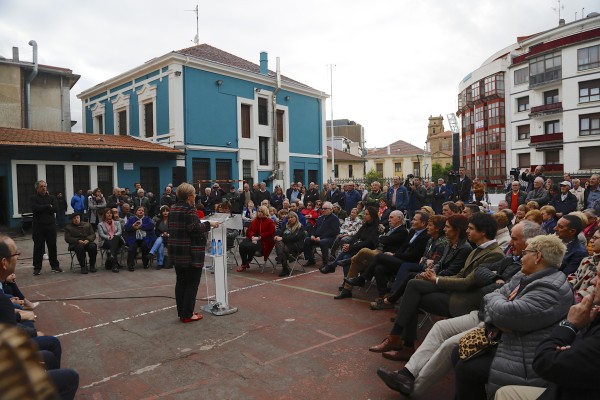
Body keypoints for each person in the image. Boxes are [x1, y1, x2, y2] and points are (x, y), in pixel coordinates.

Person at [376, 221, 544, 398]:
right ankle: (405, 371)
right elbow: (481, 279)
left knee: (418, 297)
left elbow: (483, 289)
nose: (510, 243)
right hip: (481, 309)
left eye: (471, 228)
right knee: (415, 290)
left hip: (473, 307)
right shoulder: (508, 259)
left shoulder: (501, 258)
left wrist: (438, 280)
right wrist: (494, 282)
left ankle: (410, 374)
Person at [368, 212, 504, 361]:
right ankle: (399, 341)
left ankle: (401, 342)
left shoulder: (493, 254)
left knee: (413, 291)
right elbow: (459, 275)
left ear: (483, 231)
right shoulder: (477, 249)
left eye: (471, 228)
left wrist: (436, 279)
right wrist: (433, 276)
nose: (467, 231)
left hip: (464, 301)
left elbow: (467, 282)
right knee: (413, 287)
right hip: (454, 290)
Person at [452, 234, 573, 400]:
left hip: (526, 357)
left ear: (537, 256)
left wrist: (497, 309)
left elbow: (504, 313)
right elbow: (494, 297)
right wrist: (498, 311)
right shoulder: (526, 275)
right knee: (456, 352)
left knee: (468, 369)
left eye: (525, 253)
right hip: (512, 339)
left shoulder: (550, 288)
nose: (521, 257)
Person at [168, 182, 219, 323]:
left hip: (177, 250)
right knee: (191, 283)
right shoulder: (189, 209)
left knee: (181, 283)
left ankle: (183, 311)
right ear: (190, 196)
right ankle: (187, 314)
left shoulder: (173, 208)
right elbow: (193, 228)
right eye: (194, 193)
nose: (195, 195)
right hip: (190, 252)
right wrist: (209, 224)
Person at [30, 180, 62, 276]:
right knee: (38, 247)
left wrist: (43, 208)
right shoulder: (33, 198)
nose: (44, 188)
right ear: (37, 188)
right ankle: (37, 268)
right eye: (41, 186)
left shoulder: (51, 197)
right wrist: (48, 206)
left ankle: (54, 266)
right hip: (38, 226)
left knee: (52, 246)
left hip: (50, 225)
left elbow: (56, 209)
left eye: (45, 186)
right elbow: (35, 208)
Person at [236, 205, 276, 272]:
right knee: (242, 245)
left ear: (265, 212)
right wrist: (252, 237)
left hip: (264, 241)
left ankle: (247, 261)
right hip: (253, 238)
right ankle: (244, 262)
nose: (259, 213)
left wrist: (259, 237)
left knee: (251, 246)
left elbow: (271, 232)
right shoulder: (255, 221)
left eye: (261, 212)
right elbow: (249, 231)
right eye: (259, 211)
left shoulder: (270, 221)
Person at [302, 201, 341, 267]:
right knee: (307, 240)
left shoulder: (335, 219)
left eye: (325, 209)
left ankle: (325, 262)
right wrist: (312, 235)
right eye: (322, 209)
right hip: (317, 237)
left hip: (330, 238)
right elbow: (314, 228)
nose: (323, 210)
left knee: (323, 242)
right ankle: (310, 259)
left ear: (331, 209)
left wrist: (321, 238)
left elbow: (334, 231)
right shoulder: (320, 218)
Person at [273, 211, 306, 277]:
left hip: (296, 245)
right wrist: (276, 236)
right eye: (288, 218)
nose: (290, 219)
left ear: (296, 218)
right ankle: (285, 267)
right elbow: (280, 234)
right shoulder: (286, 225)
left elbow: (295, 238)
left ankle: (284, 266)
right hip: (285, 245)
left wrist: (282, 238)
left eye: (292, 217)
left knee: (280, 245)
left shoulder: (300, 227)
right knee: (280, 244)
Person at [124, 206, 156, 271]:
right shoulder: (131, 219)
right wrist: (133, 227)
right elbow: (126, 227)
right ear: (136, 212)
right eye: (139, 210)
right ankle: (130, 265)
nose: (141, 211)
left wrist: (140, 226)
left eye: (142, 211)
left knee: (145, 245)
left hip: (145, 237)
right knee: (132, 247)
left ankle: (145, 263)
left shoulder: (147, 218)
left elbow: (151, 225)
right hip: (133, 238)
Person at [98, 208, 123, 273]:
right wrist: (109, 237)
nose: (109, 214)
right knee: (113, 245)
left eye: (110, 213)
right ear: (104, 215)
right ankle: (114, 265)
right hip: (106, 241)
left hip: (118, 239)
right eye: (107, 213)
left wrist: (113, 236)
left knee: (116, 238)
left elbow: (119, 232)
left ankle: (111, 256)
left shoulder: (117, 223)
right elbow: (101, 234)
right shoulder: (100, 224)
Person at [150, 205, 170, 269]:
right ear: (161, 212)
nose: (165, 212)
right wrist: (162, 234)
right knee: (160, 244)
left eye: (167, 211)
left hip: (170, 238)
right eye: (163, 211)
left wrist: (168, 234)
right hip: (162, 238)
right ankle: (160, 264)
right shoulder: (158, 221)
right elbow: (156, 232)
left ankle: (151, 252)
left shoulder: (172, 221)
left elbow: (174, 230)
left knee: (159, 239)